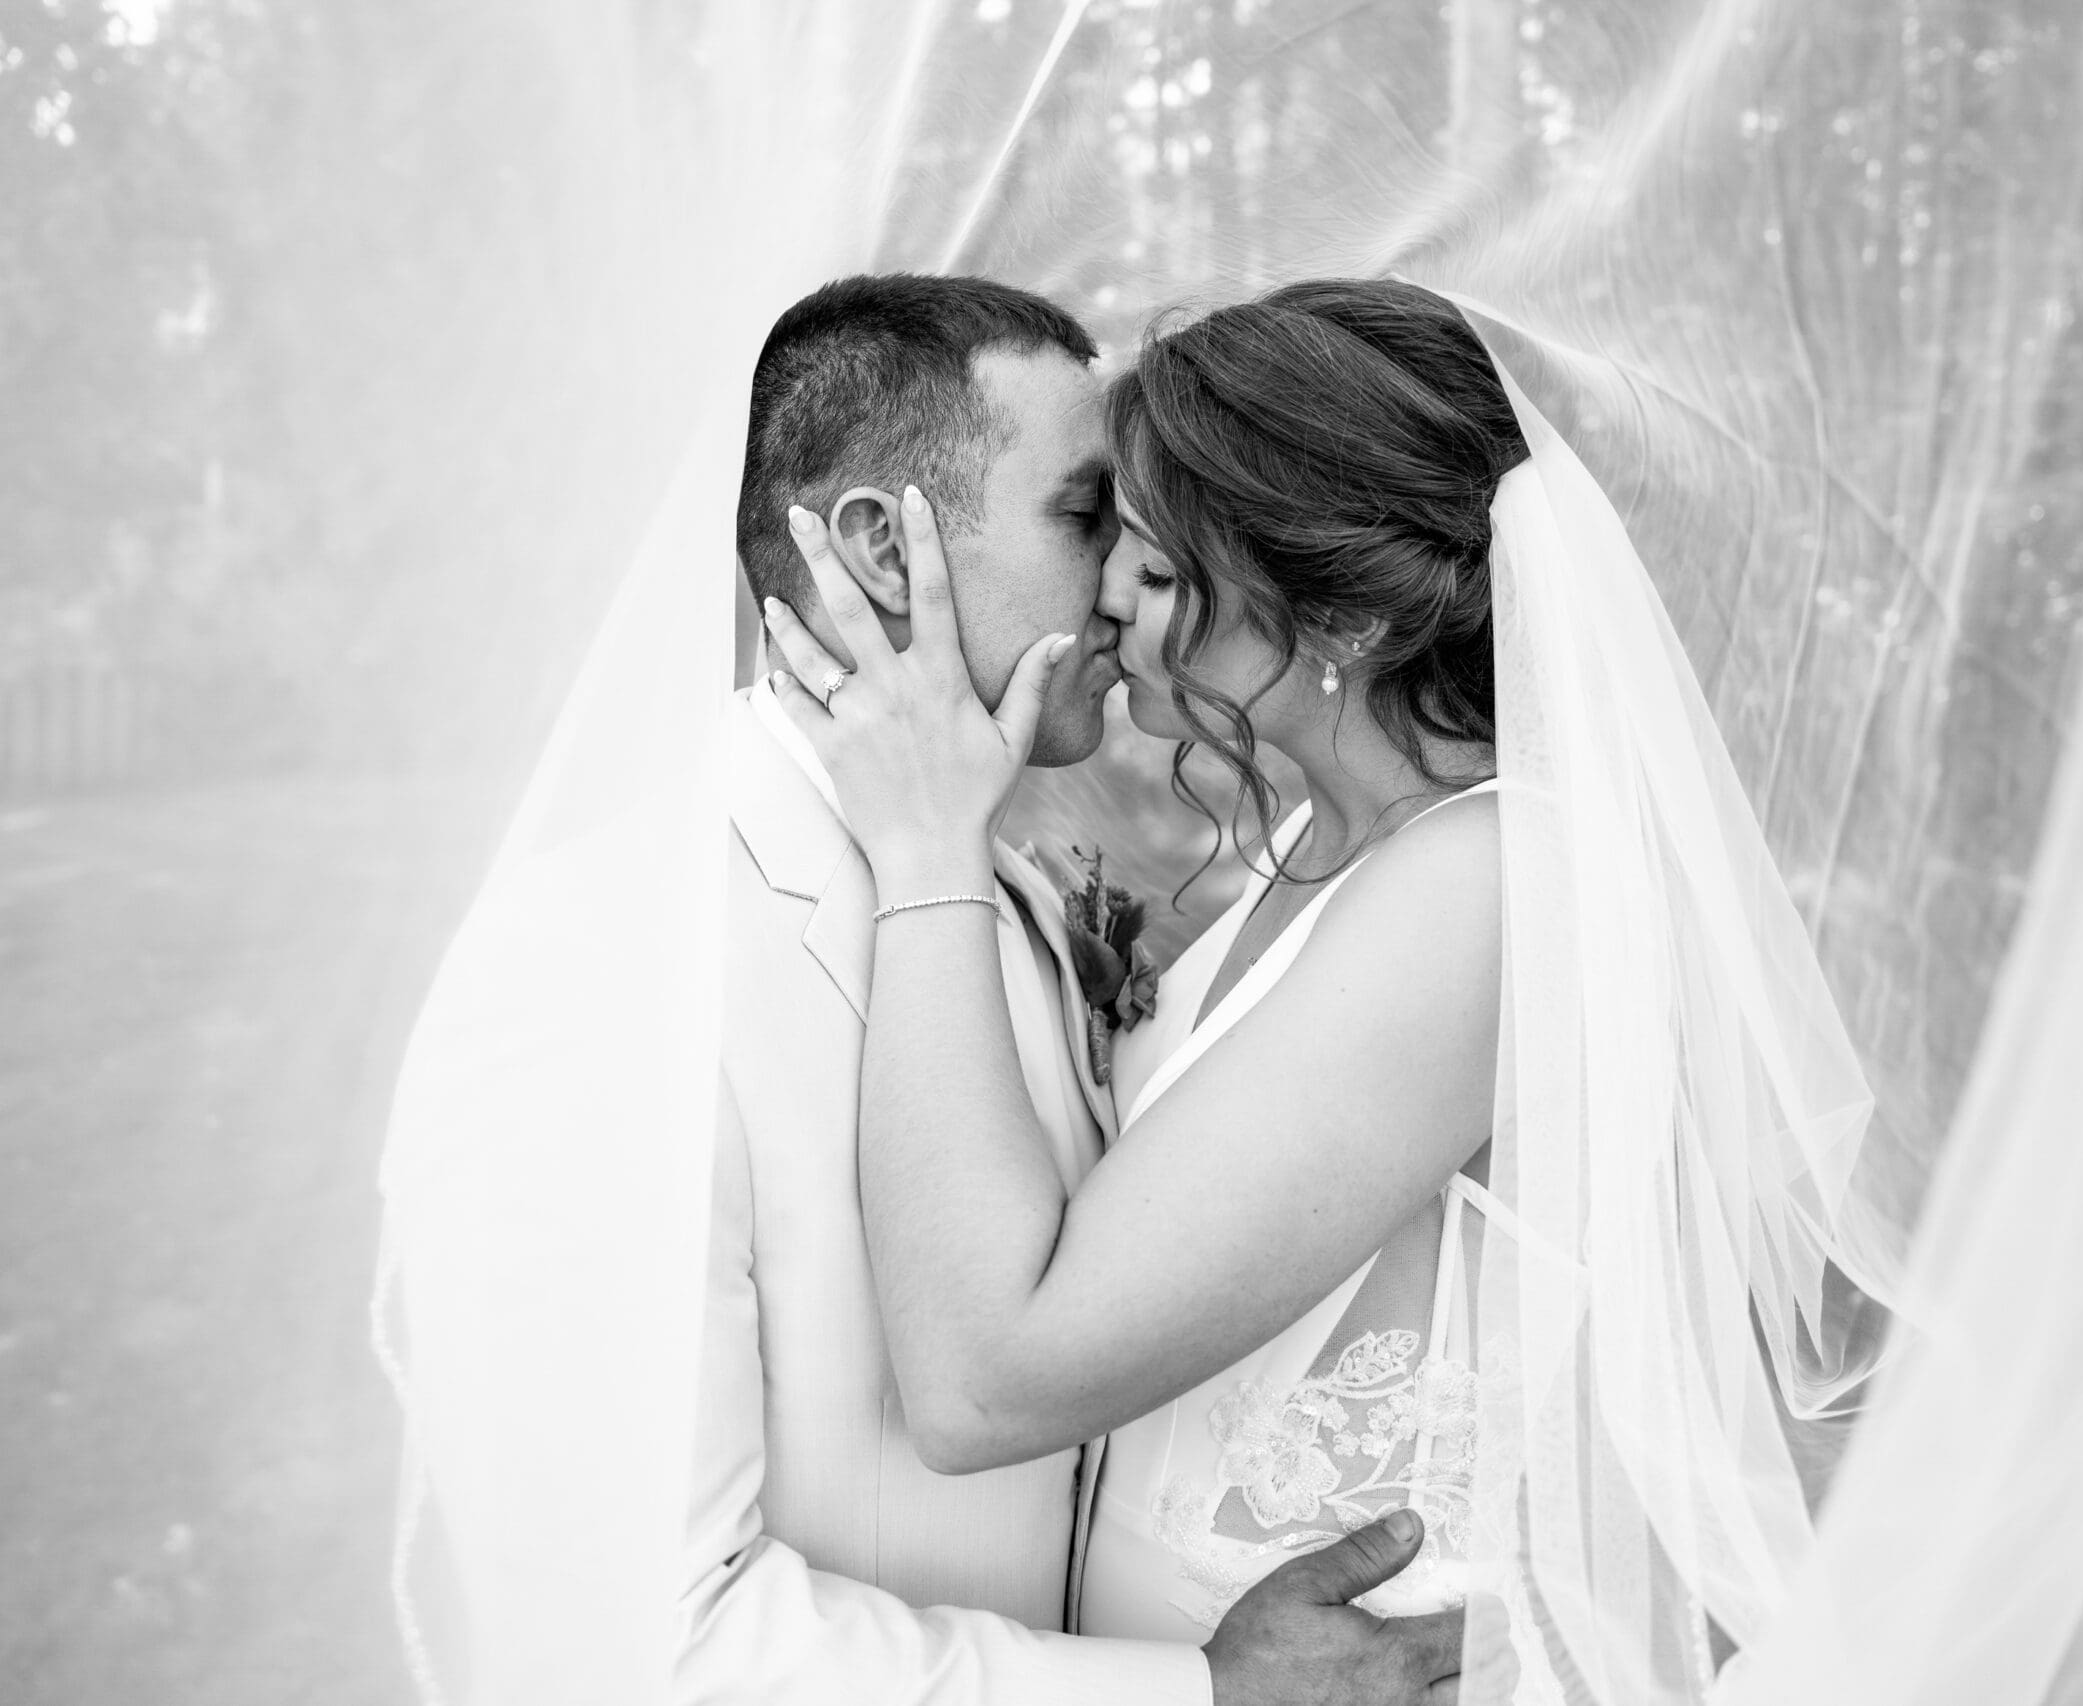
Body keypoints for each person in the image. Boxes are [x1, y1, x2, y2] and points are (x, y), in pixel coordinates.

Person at [762, 277, 1891, 1690]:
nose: (1106, 595)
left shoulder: (1484, 886)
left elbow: (988, 1377)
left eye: (1159, 572)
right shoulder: (1323, 844)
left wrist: (929, 841)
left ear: (1340, 615)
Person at [381, 272, 1465, 1706]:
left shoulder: (981, 880)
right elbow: (624, 1647)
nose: (1130, 581)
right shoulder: (601, 962)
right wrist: (1195, 1695)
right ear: (884, 550)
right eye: (1084, 516)